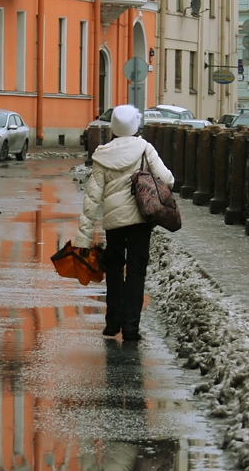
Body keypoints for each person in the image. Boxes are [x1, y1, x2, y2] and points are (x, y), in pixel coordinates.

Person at [74, 104, 174, 342]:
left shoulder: (103, 154)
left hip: (114, 222)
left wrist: (83, 239)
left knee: (115, 270)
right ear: (135, 126)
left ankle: (111, 324)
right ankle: (131, 328)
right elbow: (167, 179)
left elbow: (92, 198)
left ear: (114, 128)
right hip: (140, 219)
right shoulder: (145, 149)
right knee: (137, 272)